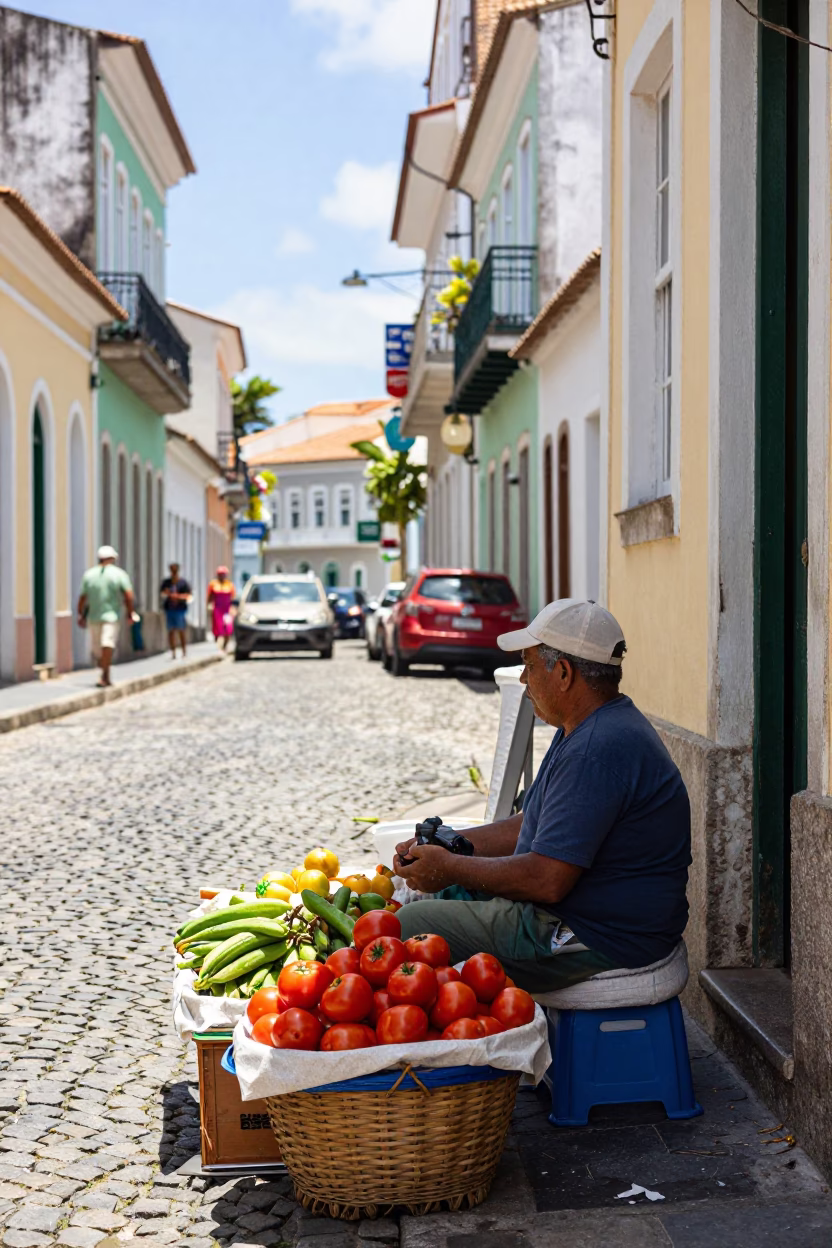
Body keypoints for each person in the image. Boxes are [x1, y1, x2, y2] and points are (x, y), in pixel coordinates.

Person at [394, 599, 692, 995]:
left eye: (530, 666)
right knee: (438, 896)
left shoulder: (597, 747)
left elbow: (546, 880)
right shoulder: (585, 725)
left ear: (564, 673)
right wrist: (451, 844)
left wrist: (450, 867)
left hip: (602, 935)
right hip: (582, 913)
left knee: (409, 929)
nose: (523, 679)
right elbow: (530, 822)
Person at [76, 546, 134, 688]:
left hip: (94, 617)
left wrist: (81, 615)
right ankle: (105, 673)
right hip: (111, 615)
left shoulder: (89, 574)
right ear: (113, 558)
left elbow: (82, 598)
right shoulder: (119, 574)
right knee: (104, 646)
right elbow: (128, 595)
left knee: (101, 646)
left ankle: (104, 675)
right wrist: (130, 612)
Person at [160, 562, 192, 659]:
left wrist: (177, 597)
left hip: (180, 610)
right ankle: (173, 652)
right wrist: (168, 594)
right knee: (171, 631)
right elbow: (162, 593)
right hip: (170, 610)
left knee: (181, 630)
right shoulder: (167, 582)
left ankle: (184, 651)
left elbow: (189, 596)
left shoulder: (183, 583)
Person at [207, 565, 235, 651]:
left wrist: (233, 609)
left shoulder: (229, 584)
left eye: (223, 574)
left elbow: (233, 598)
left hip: (227, 609)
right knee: (218, 628)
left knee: (228, 628)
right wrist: (209, 606)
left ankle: (225, 646)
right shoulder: (213, 584)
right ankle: (217, 647)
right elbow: (209, 597)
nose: (222, 576)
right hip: (217, 609)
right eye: (220, 574)